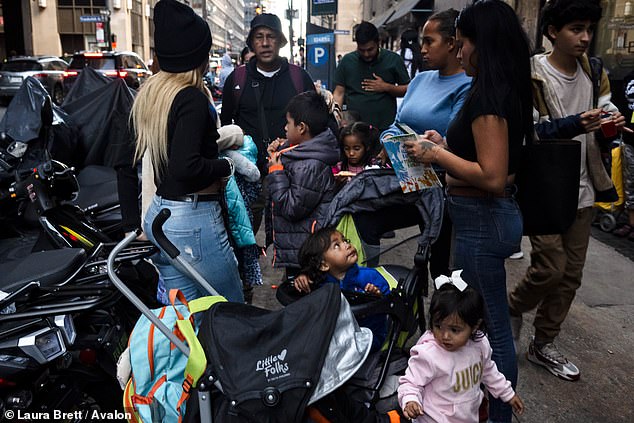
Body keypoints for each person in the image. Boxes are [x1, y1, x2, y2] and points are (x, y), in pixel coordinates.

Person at [404, 2, 533, 421]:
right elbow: (491, 160)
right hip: (481, 219)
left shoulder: (488, 97)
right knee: (486, 328)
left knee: (488, 332)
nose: (458, 54)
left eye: (463, 44)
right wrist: (445, 144)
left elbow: (493, 175)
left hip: (483, 221)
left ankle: (498, 416)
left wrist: (436, 154)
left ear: (483, 45)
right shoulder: (500, 89)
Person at [507, 0, 629, 382]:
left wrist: (612, 123)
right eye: (577, 29)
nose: (586, 38)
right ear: (552, 31)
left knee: (570, 276)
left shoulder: (595, 71)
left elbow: (606, 122)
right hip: (544, 187)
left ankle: (544, 343)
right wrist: (575, 122)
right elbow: (529, 132)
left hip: (585, 186)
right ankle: (510, 307)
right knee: (550, 268)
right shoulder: (531, 73)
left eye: (590, 29)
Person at [117, 0, 243, 303]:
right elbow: (185, 168)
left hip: (159, 217)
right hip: (193, 221)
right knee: (233, 313)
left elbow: (123, 165)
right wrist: (225, 166)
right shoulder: (192, 99)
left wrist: (133, 226)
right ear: (199, 56)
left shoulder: (148, 97)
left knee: (186, 321)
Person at [381, 8, 472, 279]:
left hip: (444, 186)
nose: (422, 49)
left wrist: (423, 145)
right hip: (405, 178)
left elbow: (455, 138)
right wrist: (387, 139)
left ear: (452, 43)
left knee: (441, 265)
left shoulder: (468, 85)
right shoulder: (420, 79)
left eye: (429, 41)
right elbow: (397, 121)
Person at [220, 13, 315, 233]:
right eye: (259, 37)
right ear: (251, 43)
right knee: (244, 235)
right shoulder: (237, 79)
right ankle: (247, 268)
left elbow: (314, 124)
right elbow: (226, 127)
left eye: (271, 36)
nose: (264, 43)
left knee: (294, 235)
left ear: (280, 41)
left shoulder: (298, 77)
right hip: (249, 172)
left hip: (292, 171)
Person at [398, 272, 525, 423]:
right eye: (438, 326)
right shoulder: (428, 354)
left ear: (474, 326)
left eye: (454, 330)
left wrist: (507, 393)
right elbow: (411, 383)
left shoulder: (479, 345)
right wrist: (411, 400)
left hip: (468, 416)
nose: (445, 336)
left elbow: (489, 370)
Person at [266, 91, 339, 274]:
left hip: (305, 250)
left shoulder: (309, 166)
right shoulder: (306, 153)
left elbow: (292, 208)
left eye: (288, 123)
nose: (284, 128)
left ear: (301, 128)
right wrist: (282, 149)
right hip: (298, 243)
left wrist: (276, 172)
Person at [294, 227, 390, 352]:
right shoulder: (320, 284)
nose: (347, 245)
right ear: (323, 265)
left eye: (345, 240)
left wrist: (377, 296)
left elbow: (389, 303)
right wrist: (302, 278)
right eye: (337, 245)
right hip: (335, 335)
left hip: (367, 336)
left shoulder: (370, 276)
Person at [333, 21, 410, 132]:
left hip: (385, 128)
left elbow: (408, 89)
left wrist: (386, 87)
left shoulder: (393, 60)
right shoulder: (347, 61)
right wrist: (337, 118)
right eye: (362, 50)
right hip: (355, 129)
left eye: (370, 50)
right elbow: (339, 93)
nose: (366, 54)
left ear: (378, 43)